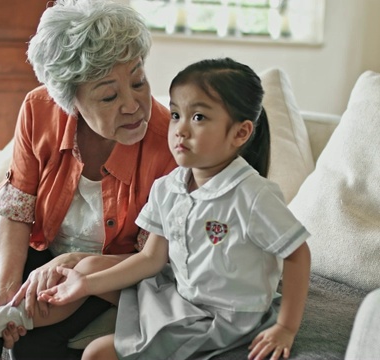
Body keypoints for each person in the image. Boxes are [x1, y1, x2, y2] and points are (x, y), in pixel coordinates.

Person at [0, 0, 176, 359]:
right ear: (71, 100)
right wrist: (6, 288)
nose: (133, 104)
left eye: (138, 81)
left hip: (115, 275)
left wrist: (73, 267)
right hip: (50, 256)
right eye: (109, 95)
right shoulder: (39, 110)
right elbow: (17, 210)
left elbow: (154, 259)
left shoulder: (171, 142)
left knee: (33, 338)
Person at [38, 58, 312, 360]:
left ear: (240, 133)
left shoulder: (253, 194)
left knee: (96, 354)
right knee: (85, 278)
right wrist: (86, 285)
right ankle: (8, 325)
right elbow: (150, 259)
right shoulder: (168, 187)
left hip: (228, 319)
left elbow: (297, 253)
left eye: (198, 117)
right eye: (176, 114)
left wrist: (286, 326)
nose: (180, 129)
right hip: (179, 298)